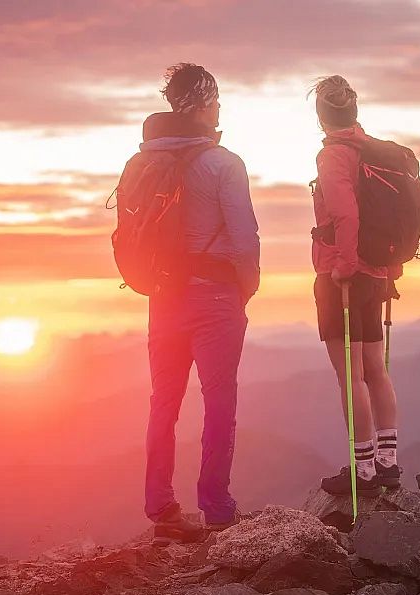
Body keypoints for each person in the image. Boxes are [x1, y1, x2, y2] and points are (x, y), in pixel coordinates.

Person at [142, 63, 260, 540]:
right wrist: (244, 288)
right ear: (207, 104)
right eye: (216, 102)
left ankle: (160, 508)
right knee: (219, 399)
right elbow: (245, 239)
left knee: (163, 402)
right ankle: (216, 506)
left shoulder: (143, 163)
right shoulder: (224, 163)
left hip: (162, 297)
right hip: (214, 297)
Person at [309, 75, 402, 497]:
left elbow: (345, 215)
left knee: (351, 377)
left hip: (343, 276)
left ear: (322, 116)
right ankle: (388, 462)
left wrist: (344, 265)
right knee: (375, 371)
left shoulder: (334, 157)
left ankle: (362, 470)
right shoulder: (376, 153)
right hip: (380, 274)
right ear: (355, 111)